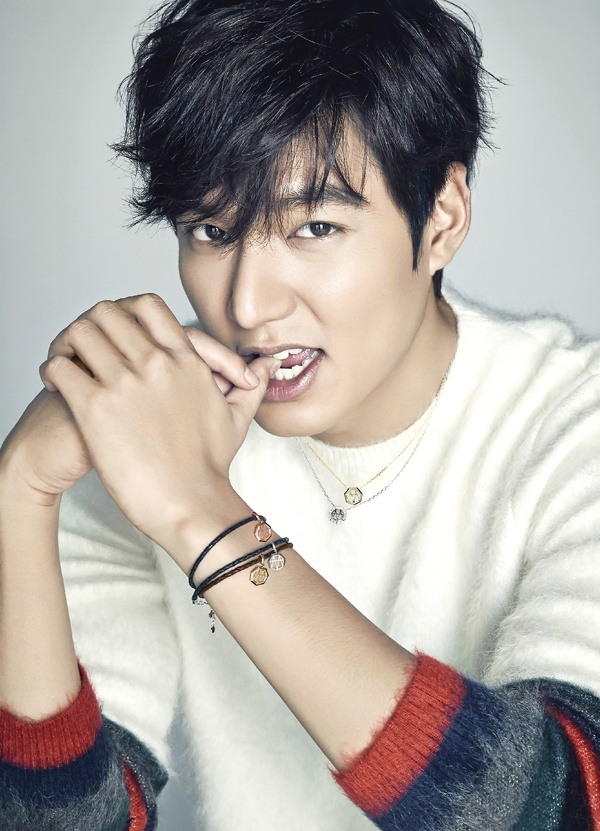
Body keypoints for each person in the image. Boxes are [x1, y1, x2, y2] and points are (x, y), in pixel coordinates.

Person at [1, 0, 599, 829]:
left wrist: (201, 514)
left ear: (443, 218)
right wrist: (19, 495)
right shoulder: (145, 435)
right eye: (211, 230)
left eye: (315, 226)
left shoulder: (573, 424)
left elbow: (559, 808)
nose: (247, 304)